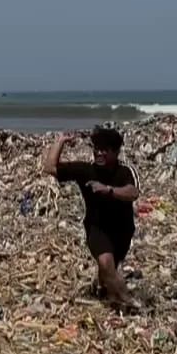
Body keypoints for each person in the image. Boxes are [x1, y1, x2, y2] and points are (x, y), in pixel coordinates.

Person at [43, 126, 141, 310]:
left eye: (105, 149)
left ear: (115, 152)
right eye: (96, 148)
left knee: (108, 271)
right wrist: (60, 142)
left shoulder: (125, 172)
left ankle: (104, 292)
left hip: (122, 230)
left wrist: (108, 190)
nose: (99, 153)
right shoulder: (85, 170)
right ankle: (130, 303)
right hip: (96, 228)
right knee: (106, 262)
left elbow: (133, 193)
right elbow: (49, 167)